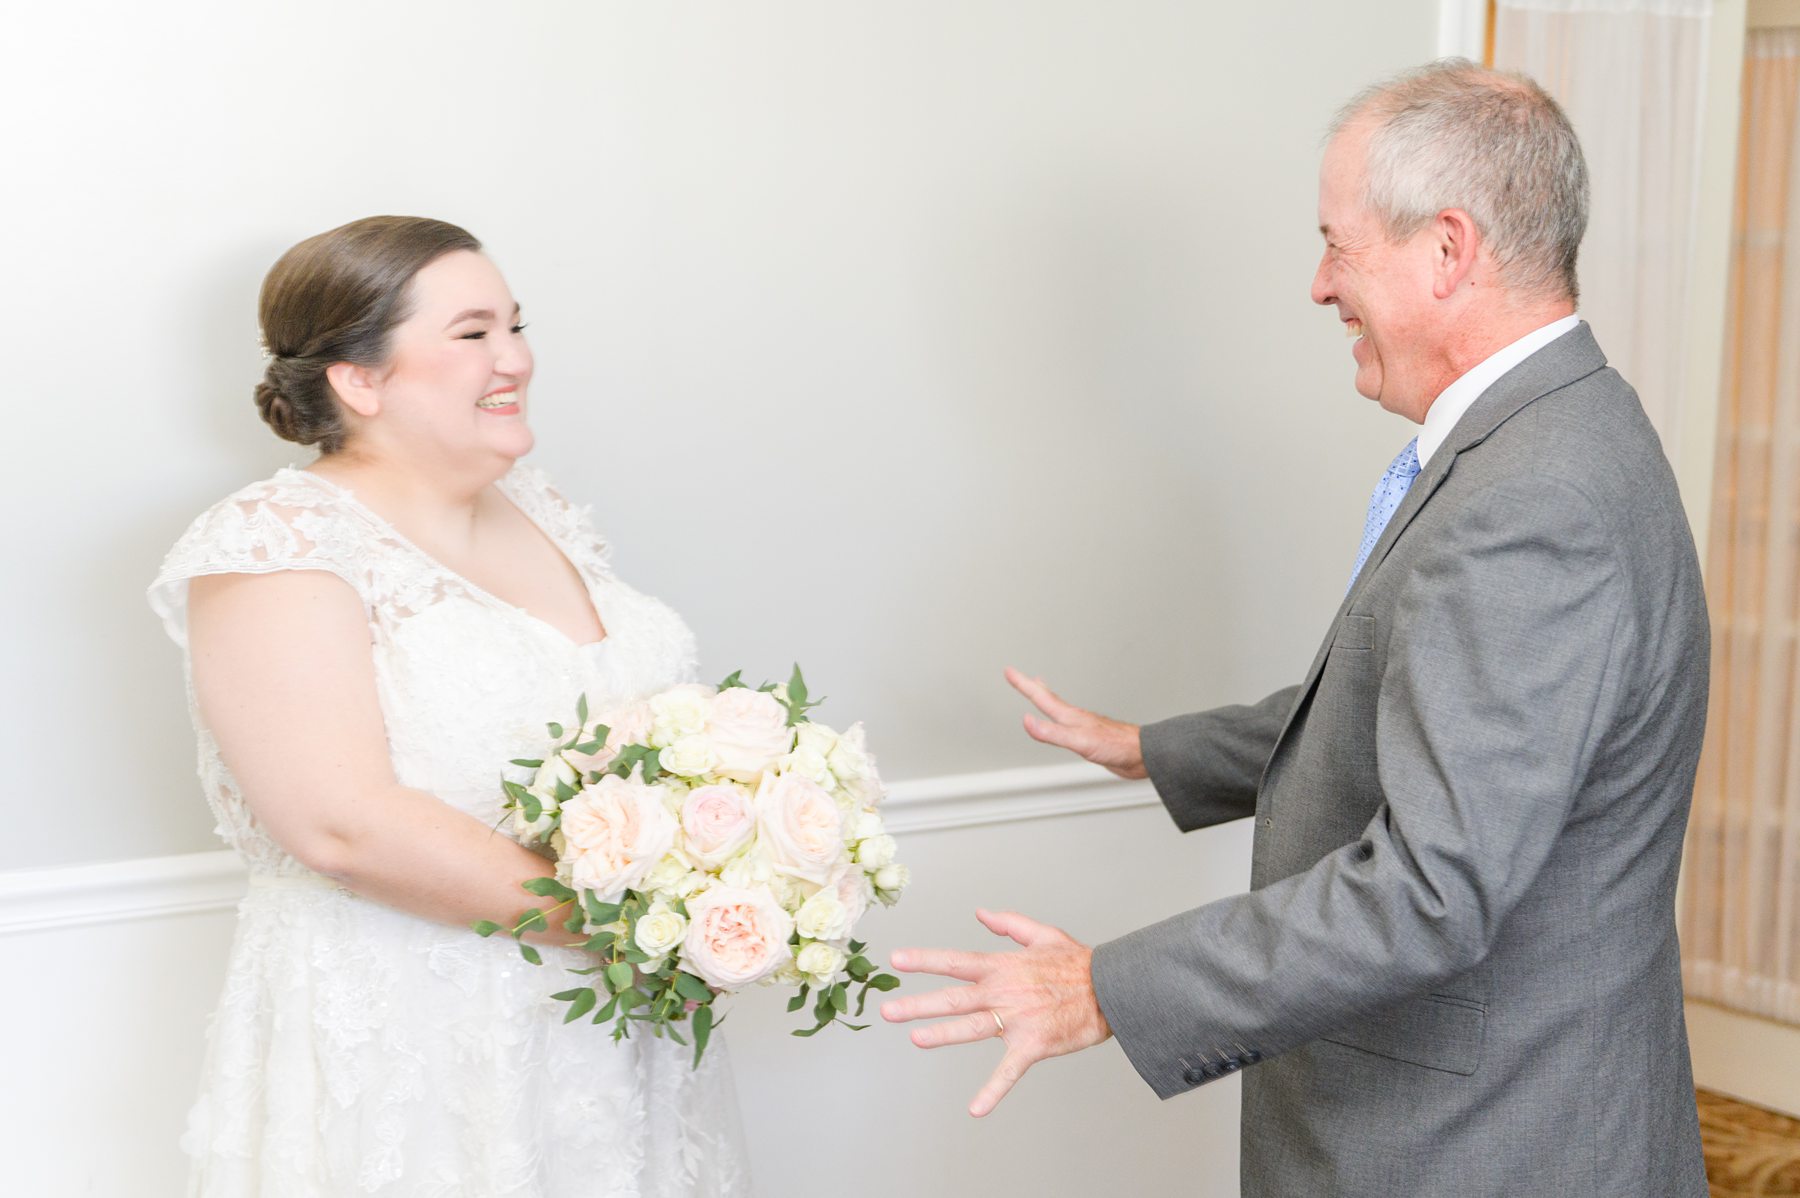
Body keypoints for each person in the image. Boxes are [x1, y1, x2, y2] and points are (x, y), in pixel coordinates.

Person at [882, 60, 1711, 1196]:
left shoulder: (1532, 502)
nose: (1320, 286)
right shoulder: (1560, 428)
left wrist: (1104, 989)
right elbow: (1427, 699)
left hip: (1483, 1140)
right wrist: (1158, 748)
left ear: (1448, 250)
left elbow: (1431, 888)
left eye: (1338, 243)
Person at [148, 216, 752, 1197]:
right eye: (472, 334)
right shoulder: (272, 543)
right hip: (410, 1037)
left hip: (606, 1035)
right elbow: (339, 822)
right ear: (360, 377)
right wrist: (641, 922)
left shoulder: (543, 509)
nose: (515, 357)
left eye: (516, 324)